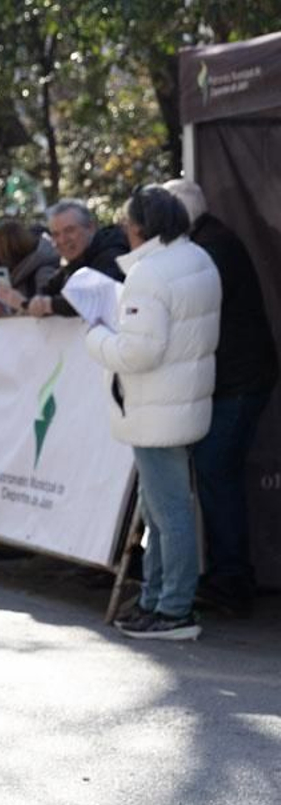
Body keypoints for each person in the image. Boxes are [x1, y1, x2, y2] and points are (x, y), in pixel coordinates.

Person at [85, 185, 220, 641]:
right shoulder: (199, 259)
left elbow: (140, 351)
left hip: (155, 405)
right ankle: (157, 600)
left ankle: (172, 608)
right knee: (163, 508)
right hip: (184, 402)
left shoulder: (150, 273)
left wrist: (97, 337)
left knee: (167, 512)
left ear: (140, 226)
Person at [165, 178, 279, 616]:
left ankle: (231, 578)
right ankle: (228, 575)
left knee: (217, 473)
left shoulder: (208, 250)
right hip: (236, 377)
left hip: (237, 381)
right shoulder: (211, 242)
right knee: (217, 474)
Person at [26, 200, 129, 318]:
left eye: (69, 230)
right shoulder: (75, 263)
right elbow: (46, 292)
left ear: (91, 227)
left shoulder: (112, 254)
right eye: (55, 234)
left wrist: (48, 305)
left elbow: (91, 298)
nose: (62, 240)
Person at [0, 219, 61, 317]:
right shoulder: (14, 277)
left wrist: (22, 304)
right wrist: (2, 313)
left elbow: (53, 316)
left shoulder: (43, 272)